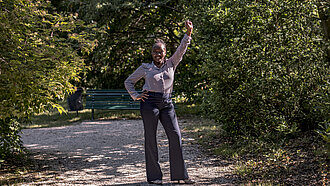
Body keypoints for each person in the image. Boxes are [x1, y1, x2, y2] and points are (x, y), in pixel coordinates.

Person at [124, 20, 194, 185]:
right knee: (151, 138)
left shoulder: (171, 63)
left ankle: (180, 176)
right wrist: (136, 96)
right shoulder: (145, 68)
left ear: (165, 52)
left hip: (167, 103)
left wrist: (188, 33)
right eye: (155, 52)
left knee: (176, 136)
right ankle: (155, 177)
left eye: (160, 51)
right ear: (152, 54)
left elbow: (182, 48)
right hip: (149, 104)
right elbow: (129, 82)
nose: (157, 54)